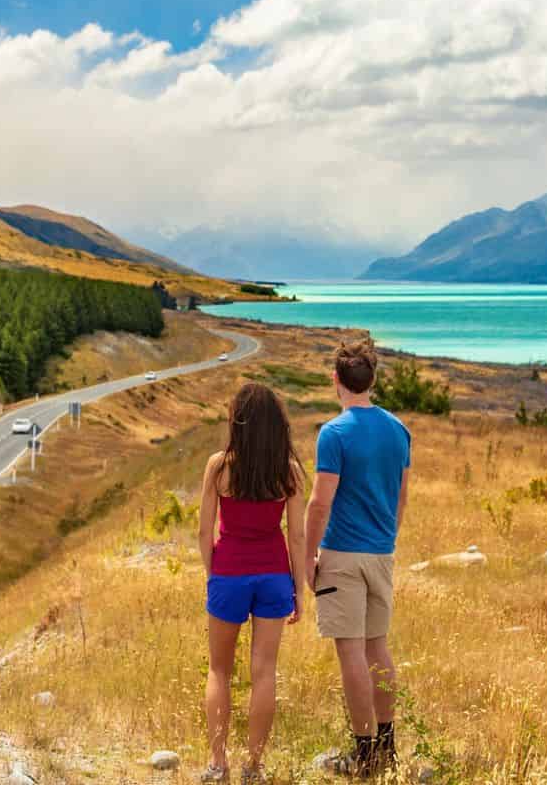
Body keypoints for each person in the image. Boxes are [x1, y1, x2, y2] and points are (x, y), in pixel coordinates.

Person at [305, 336, 412, 778]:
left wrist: (308, 555)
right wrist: (388, 538)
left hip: (343, 555)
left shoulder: (335, 433)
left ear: (336, 380)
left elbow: (319, 503)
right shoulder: (399, 430)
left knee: (350, 651)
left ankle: (364, 755)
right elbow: (402, 497)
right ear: (373, 378)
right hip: (381, 553)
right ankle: (386, 749)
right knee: (377, 648)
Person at [198, 381, 308, 784]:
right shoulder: (289, 471)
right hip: (275, 575)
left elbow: (203, 532)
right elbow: (297, 537)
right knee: (264, 672)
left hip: (229, 573)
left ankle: (217, 764)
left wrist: (214, 577)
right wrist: (300, 590)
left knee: (219, 671)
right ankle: (254, 767)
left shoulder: (219, 466)